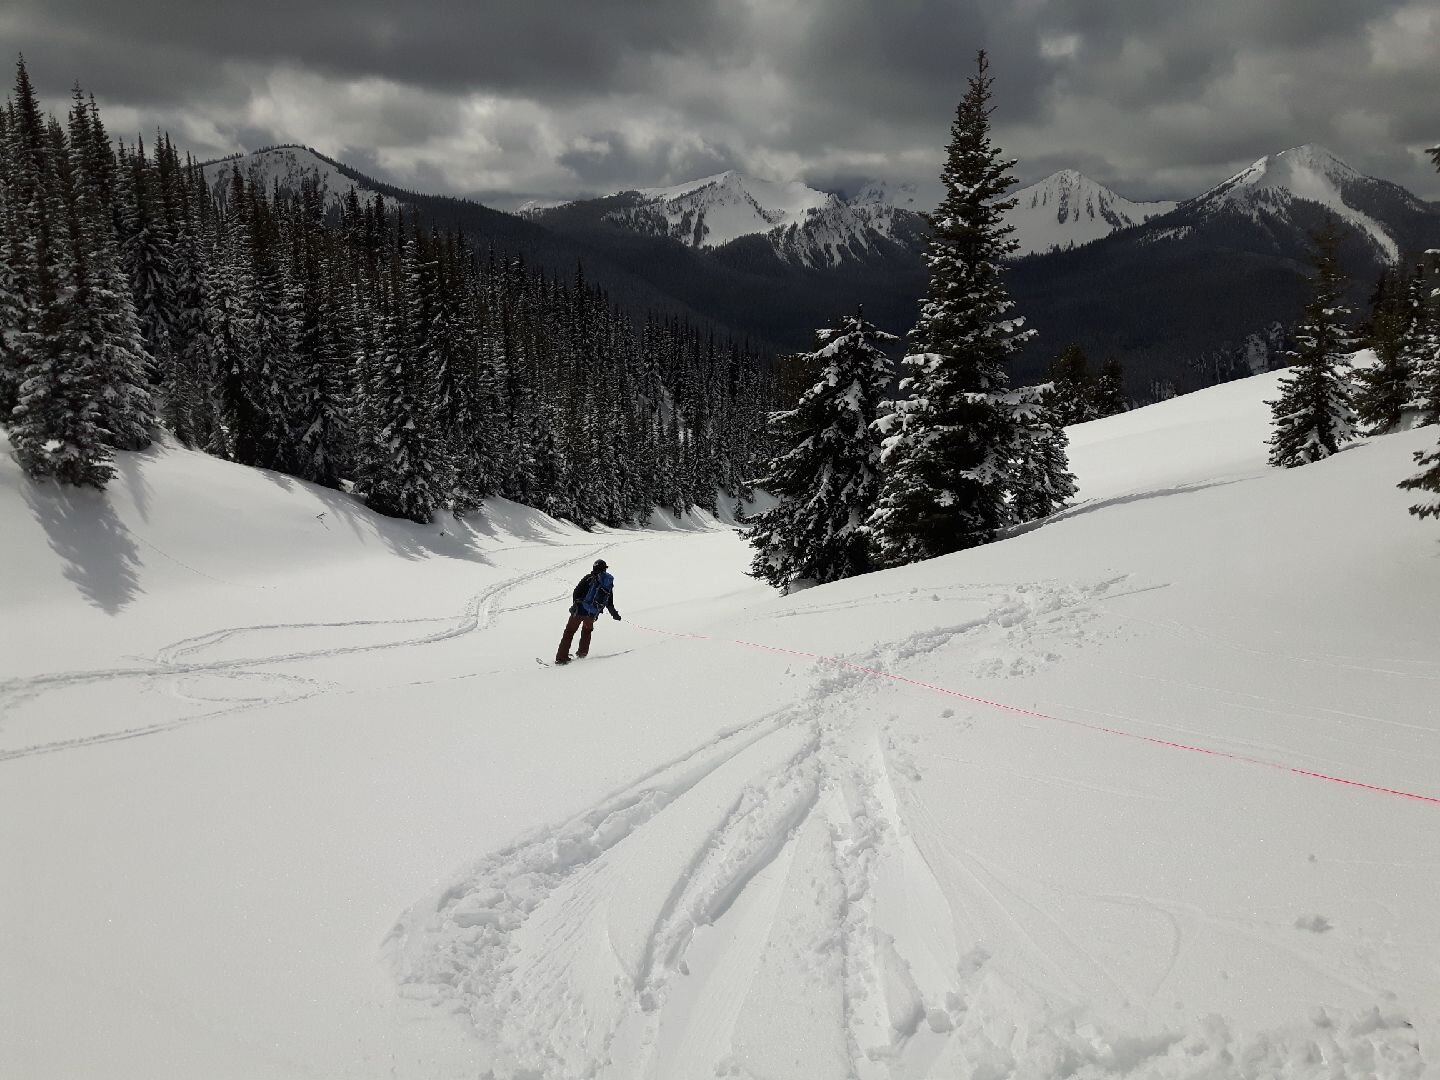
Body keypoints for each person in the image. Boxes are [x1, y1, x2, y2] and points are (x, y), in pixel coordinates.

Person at [555, 558, 620, 664]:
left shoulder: (589, 578)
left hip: (579, 611)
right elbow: (609, 602)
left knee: (569, 632)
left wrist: (575, 604)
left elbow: (576, 592)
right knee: (587, 631)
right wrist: (615, 615)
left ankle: (561, 658)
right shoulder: (607, 582)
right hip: (592, 614)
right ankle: (582, 653)